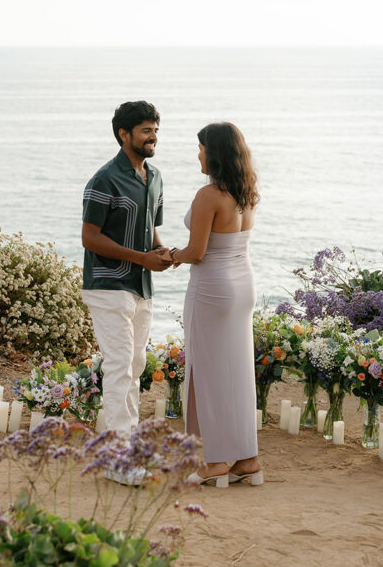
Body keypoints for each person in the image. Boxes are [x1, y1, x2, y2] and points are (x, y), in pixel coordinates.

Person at [163, 122, 261, 487]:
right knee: (237, 371)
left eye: (201, 147)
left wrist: (171, 255)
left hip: (212, 288)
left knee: (204, 373)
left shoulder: (208, 196)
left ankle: (215, 461)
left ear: (214, 152)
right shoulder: (246, 192)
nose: (198, 154)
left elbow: (197, 252)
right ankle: (248, 458)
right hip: (243, 284)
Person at [81, 101, 172, 447]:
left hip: (140, 286)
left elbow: (151, 231)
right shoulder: (105, 178)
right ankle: (120, 453)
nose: (153, 137)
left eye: (156, 130)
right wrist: (141, 258)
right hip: (107, 285)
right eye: (146, 130)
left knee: (135, 364)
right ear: (124, 134)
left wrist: (162, 253)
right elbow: (90, 237)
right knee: (119, 364)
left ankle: (126, 443)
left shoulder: (156, 177)